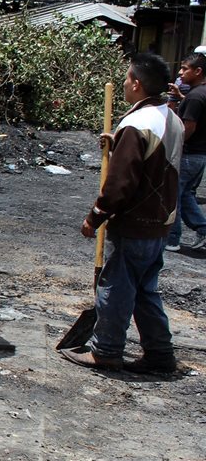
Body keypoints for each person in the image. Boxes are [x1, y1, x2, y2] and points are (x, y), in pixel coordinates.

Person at [61, 53, 182, 374]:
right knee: (145, 290)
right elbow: (154, 162)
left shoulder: (137, 124)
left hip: (134, 223)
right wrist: (119, 143)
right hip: (160, 222)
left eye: (128, 78)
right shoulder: (170, 118)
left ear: (137, 84)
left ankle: (106, 351)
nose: (125, 83)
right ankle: (160, 353)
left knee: (115, 286)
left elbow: (120, 184)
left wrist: (95, 216)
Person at [167, 51, 206, 251]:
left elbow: (188, 126)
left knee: (173, 194)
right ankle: (203, 228)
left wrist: (176, 145)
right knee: (185, 195)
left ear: (198, 71)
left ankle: (172, 238)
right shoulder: (199, 94)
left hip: (189, 154)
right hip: (200, 155)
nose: (181, 73)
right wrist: (180, 96)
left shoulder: (195, 97)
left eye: (185, 69)